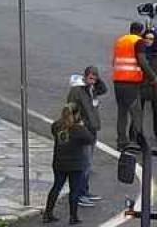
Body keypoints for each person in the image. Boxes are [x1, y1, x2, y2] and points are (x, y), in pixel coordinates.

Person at [44, 102, 94, 224]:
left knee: (56, 187)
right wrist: (82, 126)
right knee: (74, 190)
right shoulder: (79, 129)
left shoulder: (56, 125)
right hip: (75, 165)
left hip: (59, 163)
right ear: (76, 114)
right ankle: (73, 216)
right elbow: (90, 140)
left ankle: (48, 213)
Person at [64, 68, 105, 208]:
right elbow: (70, 109)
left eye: (95, 77)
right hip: (84, 131)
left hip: (92, 130)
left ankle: (84, 191)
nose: (93, 80)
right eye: (91, 77)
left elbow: (104, 89)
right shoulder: (77, 91)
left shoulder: (92, 90)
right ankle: (79, 194)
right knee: (84, 164)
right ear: (85, 77)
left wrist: (96, 82)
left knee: (87, 164)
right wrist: (77, 126)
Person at [111, 21, 148, 149]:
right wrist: (153, 76)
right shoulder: (139, 41)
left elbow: (114, 61)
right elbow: (142, 61)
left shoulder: (120, 41)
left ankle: (121, 141)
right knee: (136, 113)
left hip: (118, 81)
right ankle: (138, 142)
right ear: (141, 31)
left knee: (122, 113)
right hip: (131, 83)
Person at [135, 23, 157, 142]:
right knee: (138, 113)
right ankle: (136, 135)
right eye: (146, 38)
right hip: (142, 86)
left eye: (151, 39)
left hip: (156, 87)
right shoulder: (140, 53)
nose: (148, 41)